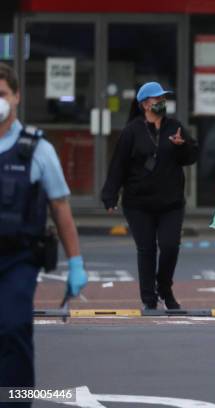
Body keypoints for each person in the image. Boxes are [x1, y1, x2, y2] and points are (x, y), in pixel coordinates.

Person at [0, 63, 87, 398]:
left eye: (2, 94)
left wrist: (76, 262)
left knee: (13, 327)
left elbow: (60, 206)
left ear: (17, 96)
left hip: (18, 259)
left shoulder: (37, 149)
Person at [102, 82, 198, 310]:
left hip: (171, 202)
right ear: (145, 103)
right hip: (138, 203)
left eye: (164, 99)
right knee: (146, 249)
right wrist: (110, 195)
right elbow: (118, 165)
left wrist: (181, 146)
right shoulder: (131, 131)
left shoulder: (175, 127)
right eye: (157, 99)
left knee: (170, 246)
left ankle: (164, 287)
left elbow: (191, 156)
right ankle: (149, 298)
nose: (162, 103)